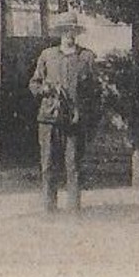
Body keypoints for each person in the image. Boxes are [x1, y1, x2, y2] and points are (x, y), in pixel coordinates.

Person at [29, 12, 97, 213]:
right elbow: (34, 84)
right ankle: (49, 210)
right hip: (49, 119)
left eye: (72, 30)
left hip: (74, 121)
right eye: (64, 30)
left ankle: (74, 211)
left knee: (73, 165)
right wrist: (46, 90)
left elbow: (94, 91)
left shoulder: (86, 57)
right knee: (48, 164)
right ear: (59, 33)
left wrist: (84, 113)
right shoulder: (47, 55)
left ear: (76, 33)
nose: (68, 34)